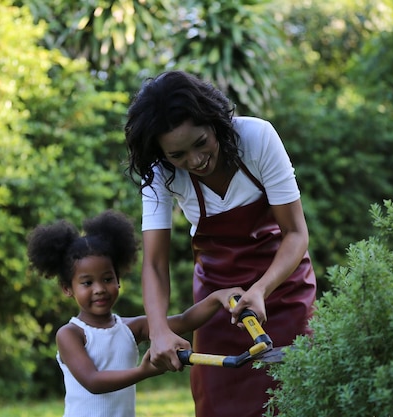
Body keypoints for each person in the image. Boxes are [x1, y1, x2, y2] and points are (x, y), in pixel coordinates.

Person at [124, 70, 317, 416]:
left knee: (297, 402)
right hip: (218, 306)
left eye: (200, 143)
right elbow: (154, 263)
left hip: (283, 292)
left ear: (214, 122)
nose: (195, 161)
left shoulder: (256, 137)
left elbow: (295, 233)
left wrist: (260, 290)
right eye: (178, 155)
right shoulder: (159, 173)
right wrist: (159, 332)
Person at [26, 209, 244, 417]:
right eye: (87, 283)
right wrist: (145, 371)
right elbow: (93, 381)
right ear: (67, 288)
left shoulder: (131, 328)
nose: (99, 288)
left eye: (107, 279)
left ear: (118, 280)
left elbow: (184, 321)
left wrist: (217, 298)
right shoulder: (70, 334)